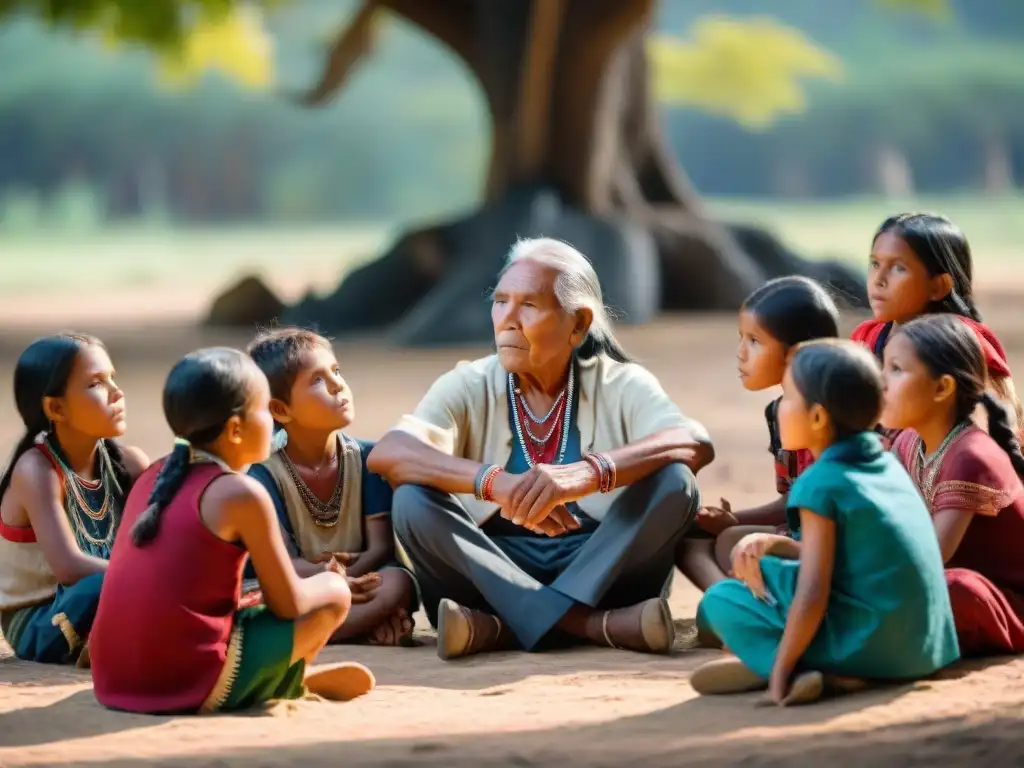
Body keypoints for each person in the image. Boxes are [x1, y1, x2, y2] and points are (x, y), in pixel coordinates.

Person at [367, 237, 713, 661]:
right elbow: (390, 452)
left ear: (579, 324)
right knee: (411, 499)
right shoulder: (469, 382)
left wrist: (588, 472)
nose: (507, 319)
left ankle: (499, 629)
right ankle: (589, 626)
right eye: (500, 301)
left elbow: (692, 441)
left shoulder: (621, 383)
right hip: (492, 570)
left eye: (529, 305)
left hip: (604, 569)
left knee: (676, 482)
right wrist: (496, 484)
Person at [90, 348, 374, 714]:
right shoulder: (241, 493)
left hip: (113, 678)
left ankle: (275, 676)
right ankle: (274, 680)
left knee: (252, 596)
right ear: (236, 429)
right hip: (182, 683)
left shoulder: (153, 476)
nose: (273, 422)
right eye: (264, 410)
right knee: (334, 594)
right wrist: (329, 579)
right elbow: (289, 604)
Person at [693, 340, 958, 706]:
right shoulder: (887, 463)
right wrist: (775, 543)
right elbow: (845, 558)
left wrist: (782, 672)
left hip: (874, 651)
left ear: (817, 418)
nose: (779, 408)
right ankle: (783, 659)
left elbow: (814, 590)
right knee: (766, 570)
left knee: (721, 600)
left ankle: (789, 667)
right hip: (924, 650)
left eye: (786, 398)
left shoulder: (819, 481)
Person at [246, 328, 417, 646]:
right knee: (259, 598)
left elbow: (380, 549)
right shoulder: (262, 476)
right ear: (281, 410)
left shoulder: (369, 460)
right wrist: (334, 582)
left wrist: (346, 582)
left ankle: (316, 632)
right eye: (318, 380)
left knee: (398, 582)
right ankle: (358, 625)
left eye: (336, 371)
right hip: (297, 588)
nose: (339, 385)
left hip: (360, 581)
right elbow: (283, 565)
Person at [677, 276, 839, 592]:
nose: (740, 353)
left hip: (829, 545)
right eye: (742, 338)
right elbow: (793, 500)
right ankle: (727, 600)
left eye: (754, 341)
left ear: (794, 354)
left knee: (729, 544)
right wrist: (731, 518)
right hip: (798, 533)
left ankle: (730, 607)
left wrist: (737, 528)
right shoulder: (780, 413)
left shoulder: (836, 417)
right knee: (692, 537)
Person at [0, 333, 148, 665]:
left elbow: (156, 538)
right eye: (97, 383)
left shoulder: (130, 464)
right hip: (45, 619)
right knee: (99, 585)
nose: (117, 392)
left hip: (113, 591)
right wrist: (146, 577)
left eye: (114, 378)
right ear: (55, 407)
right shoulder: (37, 471)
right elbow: (68, 567)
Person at [883, 315, 1024, 657]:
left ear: (942, 388)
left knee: (953, 588)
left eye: (896, 370)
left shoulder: (971, 456)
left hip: (1007, 601)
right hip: (928, 585)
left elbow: (929, 557)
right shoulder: (906, 444)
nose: (881, 382)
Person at [852, 212, 1020, 436]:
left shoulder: (962, 345)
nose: (878, 279)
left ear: (938, 286)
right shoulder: (867, 337)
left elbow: (992, 433)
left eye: (898, 268)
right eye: (875, 263)